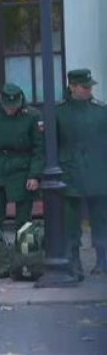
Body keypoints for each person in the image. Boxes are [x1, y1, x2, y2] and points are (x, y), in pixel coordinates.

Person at [55, 69, 107, 278]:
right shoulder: (58, 112)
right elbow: (51, 145)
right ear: (73, 87)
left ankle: (103, 259)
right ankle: (73, 260)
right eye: (85, 87)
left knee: (101, 219)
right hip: (70, 172)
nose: (88, 90)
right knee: (71, 222)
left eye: (90, 87)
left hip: (98, 171)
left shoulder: (101, 111)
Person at [0, 84, 42, 232]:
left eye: (14, 105)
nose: (11, 109)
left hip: (23, 168)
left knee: (24, 220)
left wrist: (35, 175)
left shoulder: (32, 116)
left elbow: (39, 148)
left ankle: (24, 252)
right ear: (1, 101)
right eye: (7, 105)